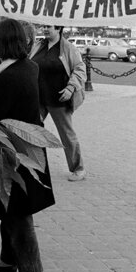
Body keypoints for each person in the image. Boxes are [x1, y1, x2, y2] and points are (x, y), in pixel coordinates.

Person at [0, 18, 54, 272]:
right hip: (23, 149)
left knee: (18, 214)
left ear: (1, 41)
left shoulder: (12, 75)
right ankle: (8, 261)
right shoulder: (25, 66)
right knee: (7, 207)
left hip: (16, 152)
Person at [29, 25, 87, 181]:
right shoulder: (38, 45)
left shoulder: (68, 48)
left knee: (67, 134)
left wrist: (70, 87)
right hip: (39, 98)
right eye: (44, 26)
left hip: (59, 99)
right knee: (30, 130)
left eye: (49, 27)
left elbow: (80, 68)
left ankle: (78, 168)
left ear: (59, 29)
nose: (45, 29)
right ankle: (31, 165)